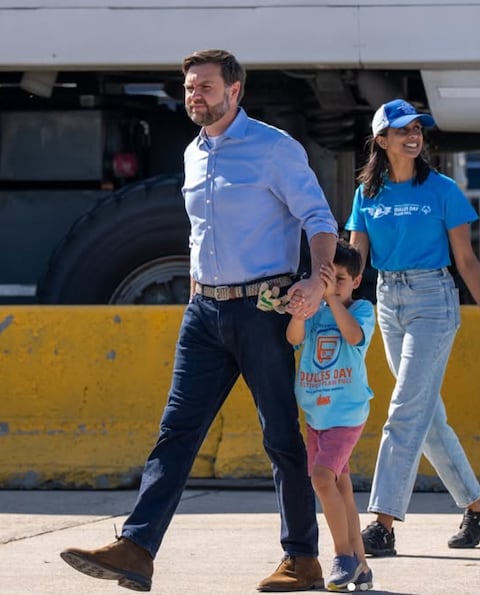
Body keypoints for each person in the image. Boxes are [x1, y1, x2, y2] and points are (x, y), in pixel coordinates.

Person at [59, 49, 338, 592]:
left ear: (235, 91)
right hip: (204, 313)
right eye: (189, 88)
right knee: (177, 432)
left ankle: (302, 558)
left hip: (262, 310)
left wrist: (317, 280)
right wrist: (195, 288)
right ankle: (137, 549)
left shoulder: (274, 149)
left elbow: (319, 219)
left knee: (281, 437)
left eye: (206, 87)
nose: (195, 96)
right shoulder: (194, 154)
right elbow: (200, 234)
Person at [346, 98, 480, 556]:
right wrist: (330, 294)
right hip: (387, 302)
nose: (413, 135)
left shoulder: (442, 190)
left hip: (433, 303)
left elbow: (466, 260)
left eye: (417, 128)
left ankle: (382, 523)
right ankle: (479, 509)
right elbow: (356, 261)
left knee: (403, 411)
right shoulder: (367, 194)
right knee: (426, 417)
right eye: (402, 130)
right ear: (382, 140)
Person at [287, 240, 374, 592]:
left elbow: (353, 336)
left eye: (340, 278)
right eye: (327, 278)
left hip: (346, 413)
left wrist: (334, 300)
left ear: (355, 280)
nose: (333, 285)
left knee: (321, 478)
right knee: (340, 488)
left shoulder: (362, 309)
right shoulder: (315, 312)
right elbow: (293, 337)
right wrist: (299, 310)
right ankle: (362, 566)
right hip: (316, 415)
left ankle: (342, 557)